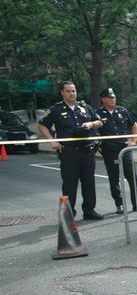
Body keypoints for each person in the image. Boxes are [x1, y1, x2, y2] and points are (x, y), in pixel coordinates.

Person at [38, 80, 104, 220]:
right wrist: (52, 141)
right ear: (62, 92)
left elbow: (99, 122)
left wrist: (91, 124)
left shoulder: (85, 107)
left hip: (87, 150)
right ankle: (68, 214)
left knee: (89, 182)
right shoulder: (55, 109)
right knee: (69, 183)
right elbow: (42, 125)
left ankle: (89, 210)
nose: (72, 93)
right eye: (68, 91)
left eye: (73, 91)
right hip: (69, 152)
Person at [95, 87, 137, 214]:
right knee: (114, 178)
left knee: (132, 177)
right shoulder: (98, 114)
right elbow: (93, 130)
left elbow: (134, 124)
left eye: (114, 97)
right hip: (110, 150)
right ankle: (119, 204)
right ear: (103, 99)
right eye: (110, 97)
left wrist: (133, 140)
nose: (113, 100)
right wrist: (98, 145)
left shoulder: (122, 111)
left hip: (124, 149)